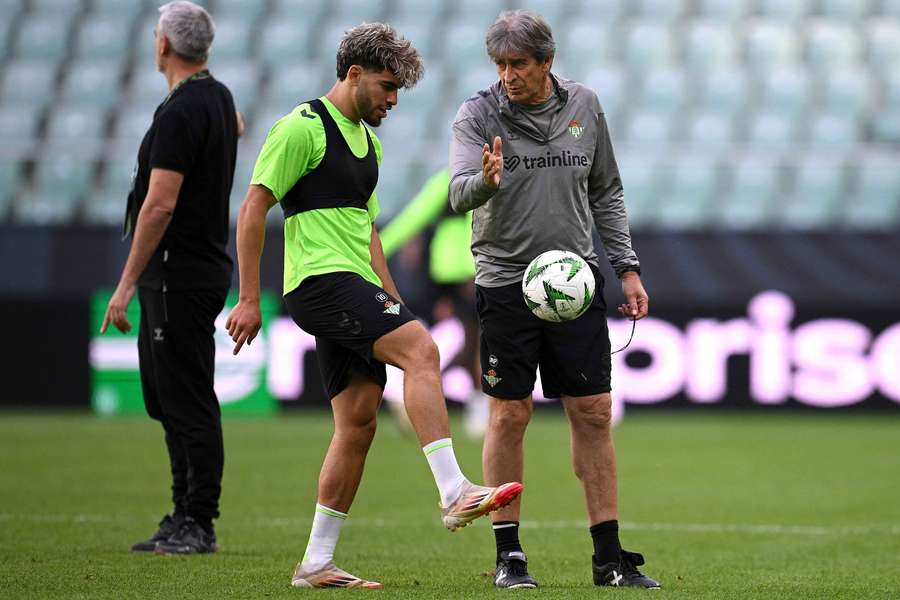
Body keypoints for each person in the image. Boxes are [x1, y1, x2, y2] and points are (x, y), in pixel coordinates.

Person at [225, 23, 522, 589]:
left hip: (354, 282)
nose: (392, 101)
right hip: (318, 281)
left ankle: (316, 561)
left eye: (398, 92)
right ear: (353, 74)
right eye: (386, 88)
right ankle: (455, 490)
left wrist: (391, 298)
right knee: (423, 351)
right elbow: (253, 208)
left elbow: (368, 234)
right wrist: (246, 296)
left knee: (357, 422)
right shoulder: (301, 128)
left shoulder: (370, 143)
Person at [449, 10, 658, 590]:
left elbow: (606, 191)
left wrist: (628, 268)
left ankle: (609, 558)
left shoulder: (585, 106)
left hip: (575, 283)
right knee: (509, 413)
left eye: (519, 64)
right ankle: (509, 556)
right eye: (500, 65)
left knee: (592, 413)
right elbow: (456, 194)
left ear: (546, 62)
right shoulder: (477, 113)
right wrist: (485, 183)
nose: (508, 75)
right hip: (505, 281)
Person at [100, 1, 238, 555]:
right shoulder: (217, 98)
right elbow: (234, 126)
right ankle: (183, 511)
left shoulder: (182, 111)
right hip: (190, 269)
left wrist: (125, 282)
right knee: (167, 397)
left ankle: (198, 520)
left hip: (176, 272)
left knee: (186, 398)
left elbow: (159, 205)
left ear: (162, 46)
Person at [379, 170, 489, 438]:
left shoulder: (446, 181)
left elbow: (413, 218)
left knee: (471, 340)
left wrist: (378, 248)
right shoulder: (471, 180)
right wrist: (373, 252)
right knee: (479, 342)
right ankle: (472, 404)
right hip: (470, 271)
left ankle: (421, 388)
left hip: (446, 271)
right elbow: (415, 219)